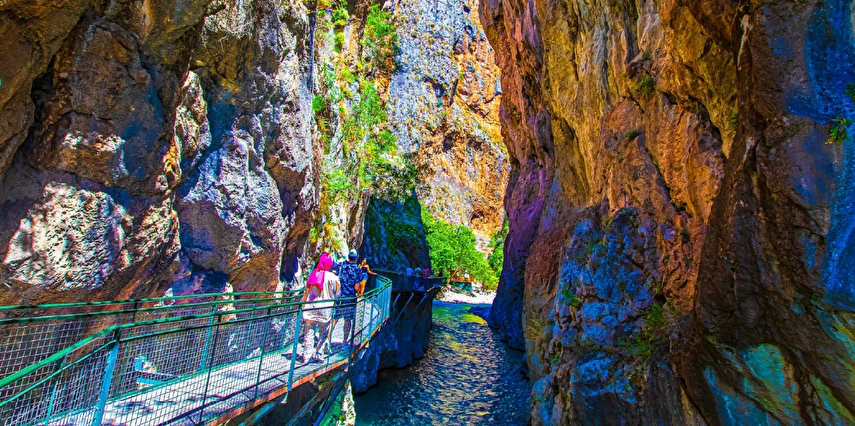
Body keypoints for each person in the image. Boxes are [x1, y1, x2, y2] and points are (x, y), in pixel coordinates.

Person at [299, 252, 339, 364]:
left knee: (309, 333)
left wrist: (303, 302)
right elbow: (338, 292)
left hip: (311, 308)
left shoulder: (313, 274)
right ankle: (318, 354)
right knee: (323, 333)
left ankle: (306, 357)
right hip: (325, 309)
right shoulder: (333, 277)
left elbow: (306, 291)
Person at [332, 249, 368, 345]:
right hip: (350, 298)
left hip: (339, 296)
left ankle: (327, 340)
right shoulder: (357, 269)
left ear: (348, 256)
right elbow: (356, 287)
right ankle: (344, 343)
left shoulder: (342, 265)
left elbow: (334, 272)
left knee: (334, 318)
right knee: (347, 320)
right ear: (357, 258)